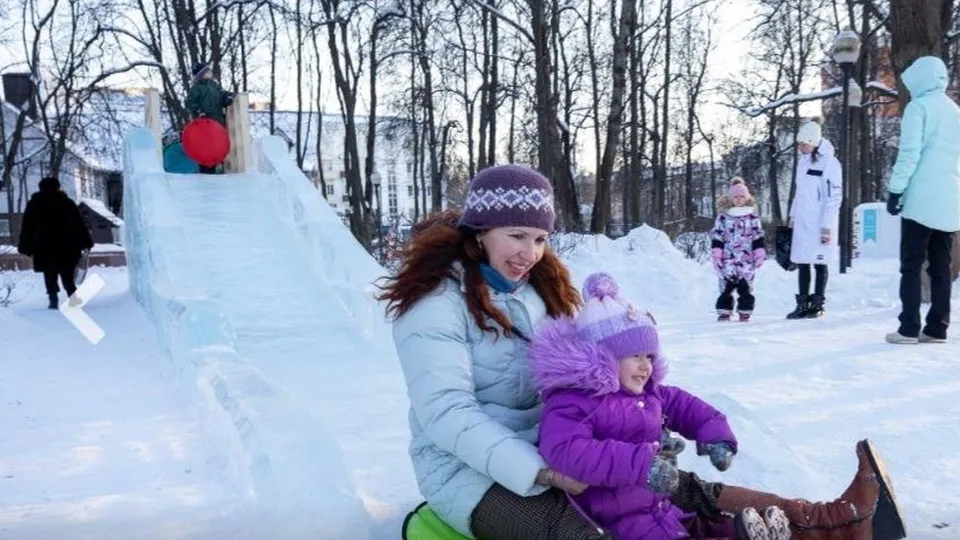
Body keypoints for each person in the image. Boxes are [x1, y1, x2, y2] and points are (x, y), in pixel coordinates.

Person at [381, 165, 905, 540]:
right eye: (516, 235)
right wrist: (543, 471)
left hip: (564, 443)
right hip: (473, 474)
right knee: (582, 531)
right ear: (479, 233)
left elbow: (593, 371)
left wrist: (630, 419)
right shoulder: (434, 305)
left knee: (675, 487)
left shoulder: (543, 293)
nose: (529, 253)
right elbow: (447, 416)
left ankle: (829, 520)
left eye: (540, 238)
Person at [529, 271, 790, 539]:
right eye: (635, 356)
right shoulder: (574, 401)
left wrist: (716, 436)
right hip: (613, 517)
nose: (646, 366)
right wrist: (642, 465)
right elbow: (566, 450)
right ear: (601, 358)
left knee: (687, 524)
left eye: (649, 356)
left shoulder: (648, 393)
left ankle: (739, 530)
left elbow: (688, 408)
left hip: (656, 505)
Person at [884, 55, 960, 345]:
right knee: (941, 267)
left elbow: (910, 154)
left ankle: (908, 328)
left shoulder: (918, 108)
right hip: (950, 201)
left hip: (920, 201)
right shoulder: (955, 111)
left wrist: (896, 190)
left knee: (911, 265)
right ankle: (937, 327)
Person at [786, 121, 842, 320]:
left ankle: (817, 304)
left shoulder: (830, 163)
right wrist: (793, 216)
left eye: (803, 144)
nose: (800, 147)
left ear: (813, 142)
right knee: (803, 262)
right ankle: (802, 304)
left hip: (820, 222)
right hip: (803, 221)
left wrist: (826, 226)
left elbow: (834, 198)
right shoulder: (803, 162)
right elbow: (799, 193)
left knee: (819, 263)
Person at [17, 176, 94, 309]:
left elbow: (27, 227)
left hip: (43, 247)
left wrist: (25, 247)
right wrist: (86, 242)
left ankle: (53, 300)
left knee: (49, 274)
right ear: (58, 187)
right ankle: (74, 299)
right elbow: (79, 224)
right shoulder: (67, 203)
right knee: (68, 275)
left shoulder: (34, 204)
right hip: (67, 246)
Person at [711, 178, 765, 322]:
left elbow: (758, 236)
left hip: (746, 261)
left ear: (746, 198)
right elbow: (717, 235)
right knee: (726, 287)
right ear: (730, 198)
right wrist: (717, 253)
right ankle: (724, 311)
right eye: (735, 196)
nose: (739, 199)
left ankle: (745, 311)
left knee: (745, 287)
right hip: (728, 258)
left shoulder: (752, 217)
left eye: (742, 196)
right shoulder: (723, 217)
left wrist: (759, 252)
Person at [185, 61, 235, 174]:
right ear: (201, 74)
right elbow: (190, 103)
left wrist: (227, 98)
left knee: (217, 145)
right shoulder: (196, 88)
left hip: (217, 121)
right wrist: (198, 111)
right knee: (206, 147)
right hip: (204, 123)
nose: (210, 73)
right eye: (207, 71)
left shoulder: (215, 86)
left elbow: (221, 97)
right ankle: (206, 170)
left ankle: (219, 166)